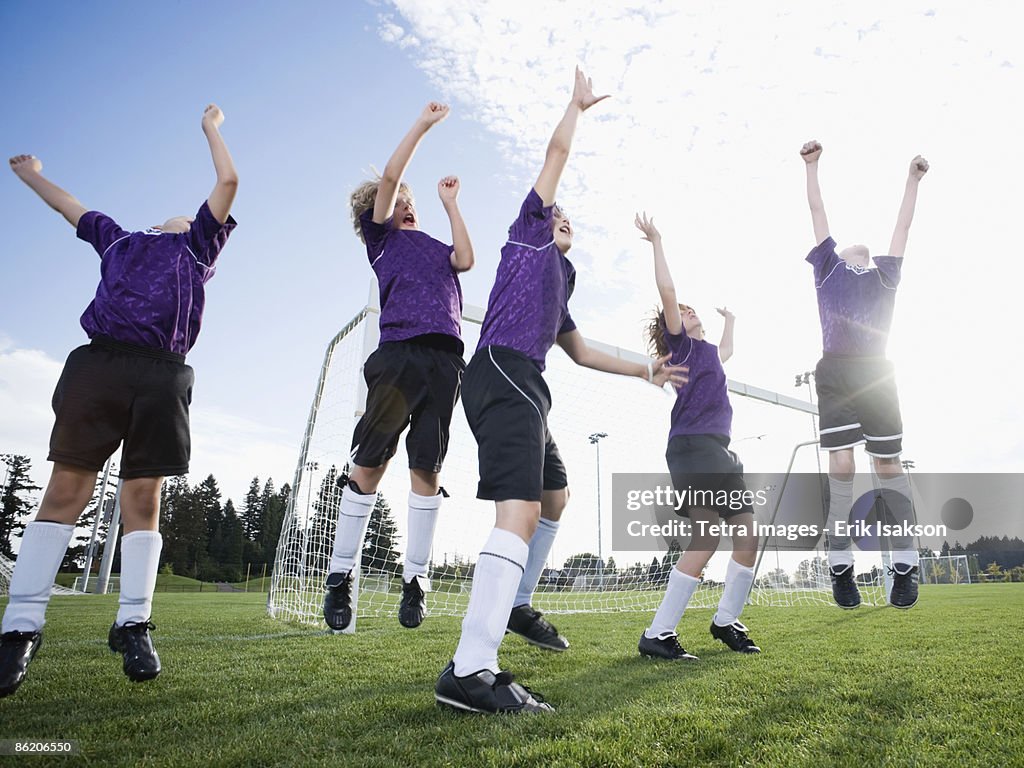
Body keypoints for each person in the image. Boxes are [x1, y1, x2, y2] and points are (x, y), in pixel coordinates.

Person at [434, 68, 687, 715]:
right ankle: (470, 670)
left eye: (568, 218)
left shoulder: (560, 279)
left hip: (529, 384)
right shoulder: (525, 239)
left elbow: (578, 349)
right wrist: (575, 107)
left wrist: (643, 371)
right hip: (503, 372)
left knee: (556, 496)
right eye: (558, 214)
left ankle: (513, 604)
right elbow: (557, 155)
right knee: (516, 513)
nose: (562, 218)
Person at [0, 104, 238, 697]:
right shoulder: (118, 241)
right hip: (99, 364)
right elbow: (66, 206)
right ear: (155, 224)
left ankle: (133, 621)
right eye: (176, 215)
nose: (184, 215)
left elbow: (228, 183)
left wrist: (211, 128)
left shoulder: (198, 250)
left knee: (143, 496)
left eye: (192, 216)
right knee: (66, 489)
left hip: (162, 375)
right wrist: (30, 175)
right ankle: (20, 626)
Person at [323, 101, 474, 632]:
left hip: (444, 359)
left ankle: (417, 580)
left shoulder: (433, 246)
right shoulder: (382, 241)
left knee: (426, 469)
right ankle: (341, 575)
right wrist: (423, 125)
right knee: (372, 460)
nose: (407, 206)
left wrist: (450, 205)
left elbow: (465, 259)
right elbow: (390, 176)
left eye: (412, 203)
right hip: (398, 354)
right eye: (399, 203)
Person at [800, 140, 929, 609]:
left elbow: (903, 227)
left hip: (878, 373)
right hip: (835, 371)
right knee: (842, 469)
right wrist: (812, 168)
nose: (862, 243)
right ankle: (840, 569)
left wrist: (912, 179)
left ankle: (904, 568)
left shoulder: (884, 277)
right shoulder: (828, 270)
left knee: (887, 466)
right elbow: (817, 211)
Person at [635, 212, 761, 662]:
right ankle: (658, 634)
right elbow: (668, 292)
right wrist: (656, 241)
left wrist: (731, 320)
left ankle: (726, 620)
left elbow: (726, 352)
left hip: (722, 452)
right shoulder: (682, 347)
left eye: (691, 309)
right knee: (706, 538)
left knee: (748, 536)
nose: (686, 309)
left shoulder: (708, 351)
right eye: (681, 311)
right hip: (692, 446)